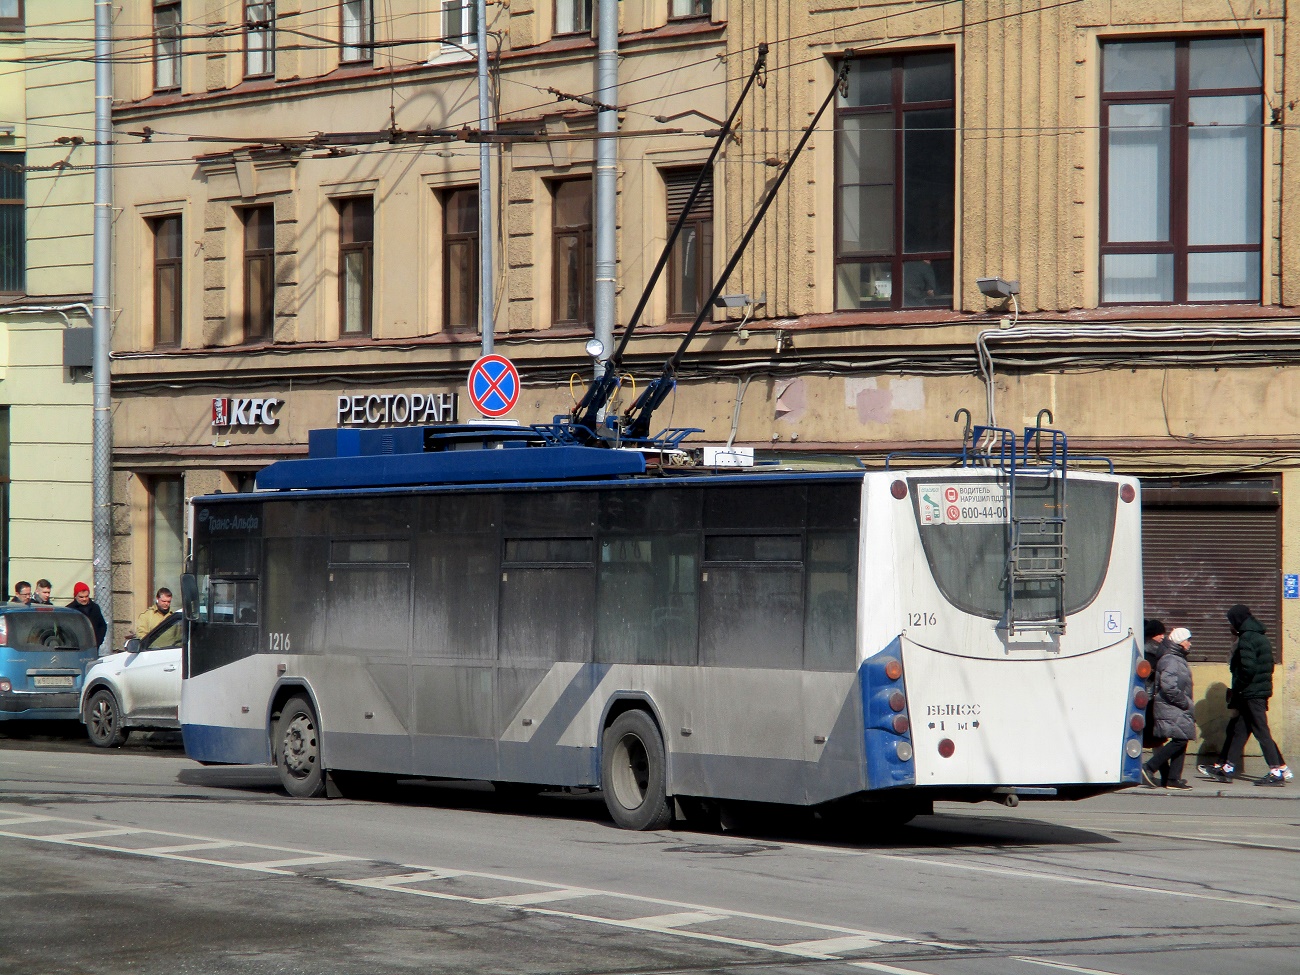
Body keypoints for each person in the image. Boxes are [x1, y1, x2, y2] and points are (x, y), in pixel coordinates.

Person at [1207, 604, 1289, 786]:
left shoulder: (1246, 638)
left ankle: (1276, 772)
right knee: (1240, 731)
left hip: (1250, 693)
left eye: (1231, 621)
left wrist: (1239, 688)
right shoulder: (1260, 637)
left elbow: (1248, 668)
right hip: (1257, 692)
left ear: (1236, 620)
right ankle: (1227, 769)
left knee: (1262, 732)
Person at [1141, 627, 1195, 790]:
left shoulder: (1177, 658)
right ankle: (1149, 767)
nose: (1190, 644)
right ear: (1180, 642)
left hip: (1176, 706)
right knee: (1179, 740)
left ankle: (1173, 779)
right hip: (1172, 706)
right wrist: (1184, 702)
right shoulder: (1171, 660)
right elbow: (1168, 686)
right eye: (1187, 640)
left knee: (1182, 738)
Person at [1142, 619, 1166, 748]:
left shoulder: (1160, 651)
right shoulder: (1149, 652)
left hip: (1153, 698)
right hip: (1150, 698)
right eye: (1160, 634)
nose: (1163, 636)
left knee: (1155, 739)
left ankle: (1157, 767)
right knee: (1153, 738)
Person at [66, 582, 108, 651]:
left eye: (86, 596)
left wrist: (98, 641)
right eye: (81, 597)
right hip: (75, 647)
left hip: (93, 646)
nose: (84, 599)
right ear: (75, 596)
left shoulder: (95, 608)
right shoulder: (70, 610)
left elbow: (102, 625)